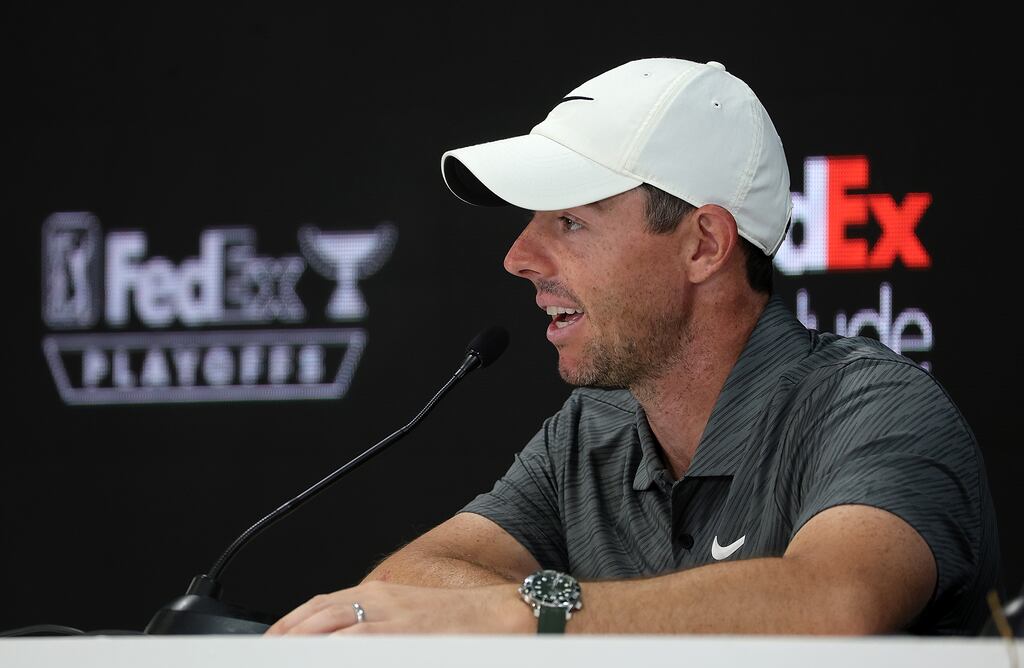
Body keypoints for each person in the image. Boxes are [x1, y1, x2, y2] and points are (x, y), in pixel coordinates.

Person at [266, 57, 1000, 636]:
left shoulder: (878, 407)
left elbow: (830, 602)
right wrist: (532, 608)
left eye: (571, 223)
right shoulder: (594, 427)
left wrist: (525, 616)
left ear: (703, 244)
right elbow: (410, 580)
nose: (518, 256)